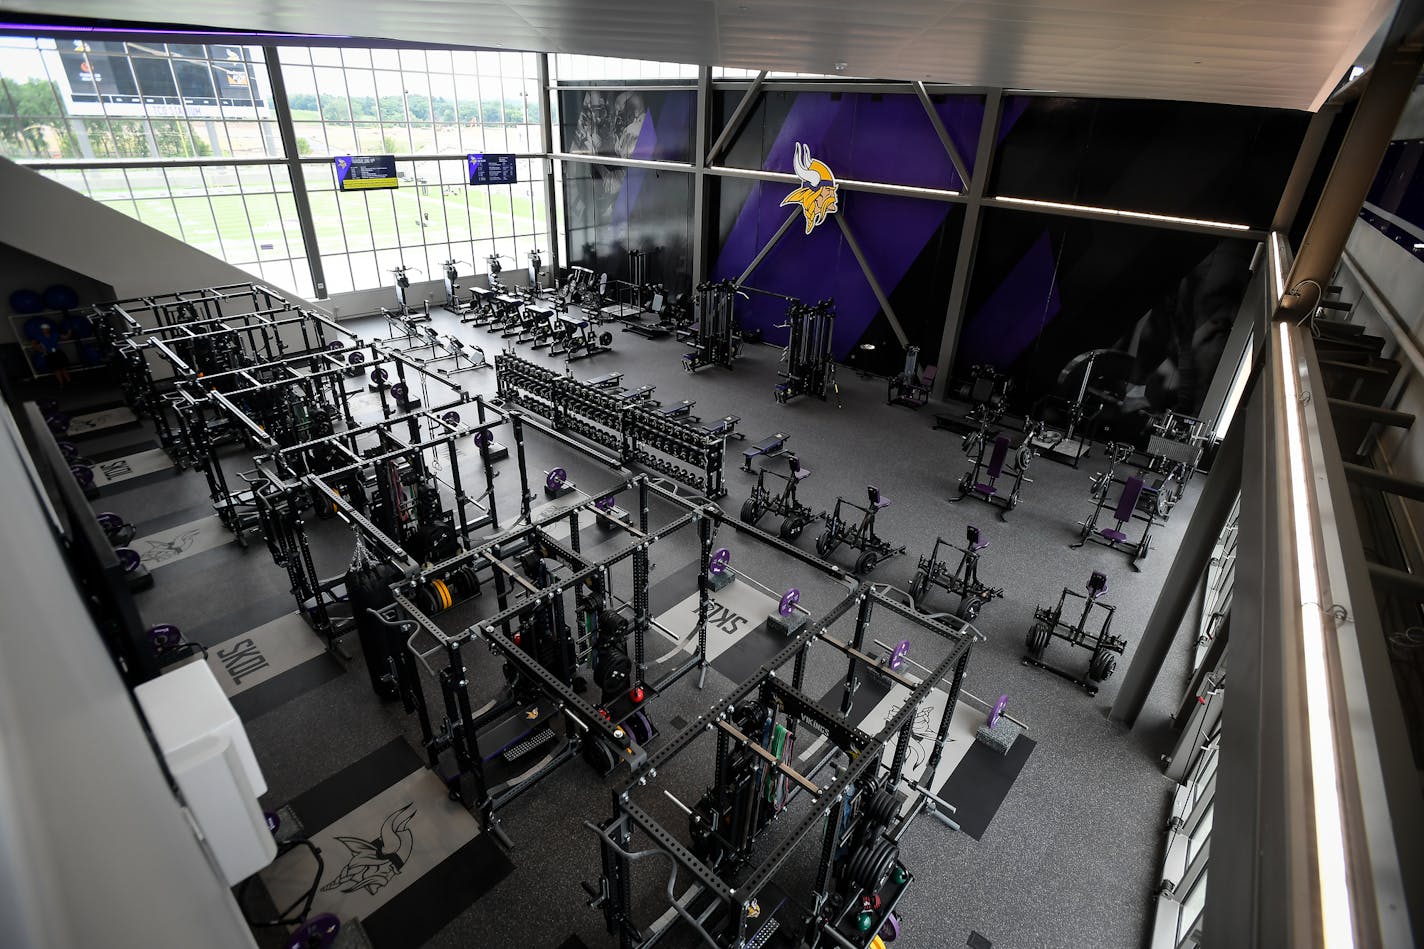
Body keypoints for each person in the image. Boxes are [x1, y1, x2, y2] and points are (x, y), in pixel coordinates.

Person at [30, 320, 72, 385]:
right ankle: (61, 383)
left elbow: (65, 337)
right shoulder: (39, 336)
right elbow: (33, 344)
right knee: (56, 369)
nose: (43, 330)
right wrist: (40, 350)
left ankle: (69, 381)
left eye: (45, 329)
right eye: (42, 329)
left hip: (58, 352)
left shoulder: (55, 334)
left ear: (48, 329)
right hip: (49, 354)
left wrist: (69, 332)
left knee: (63, 368)